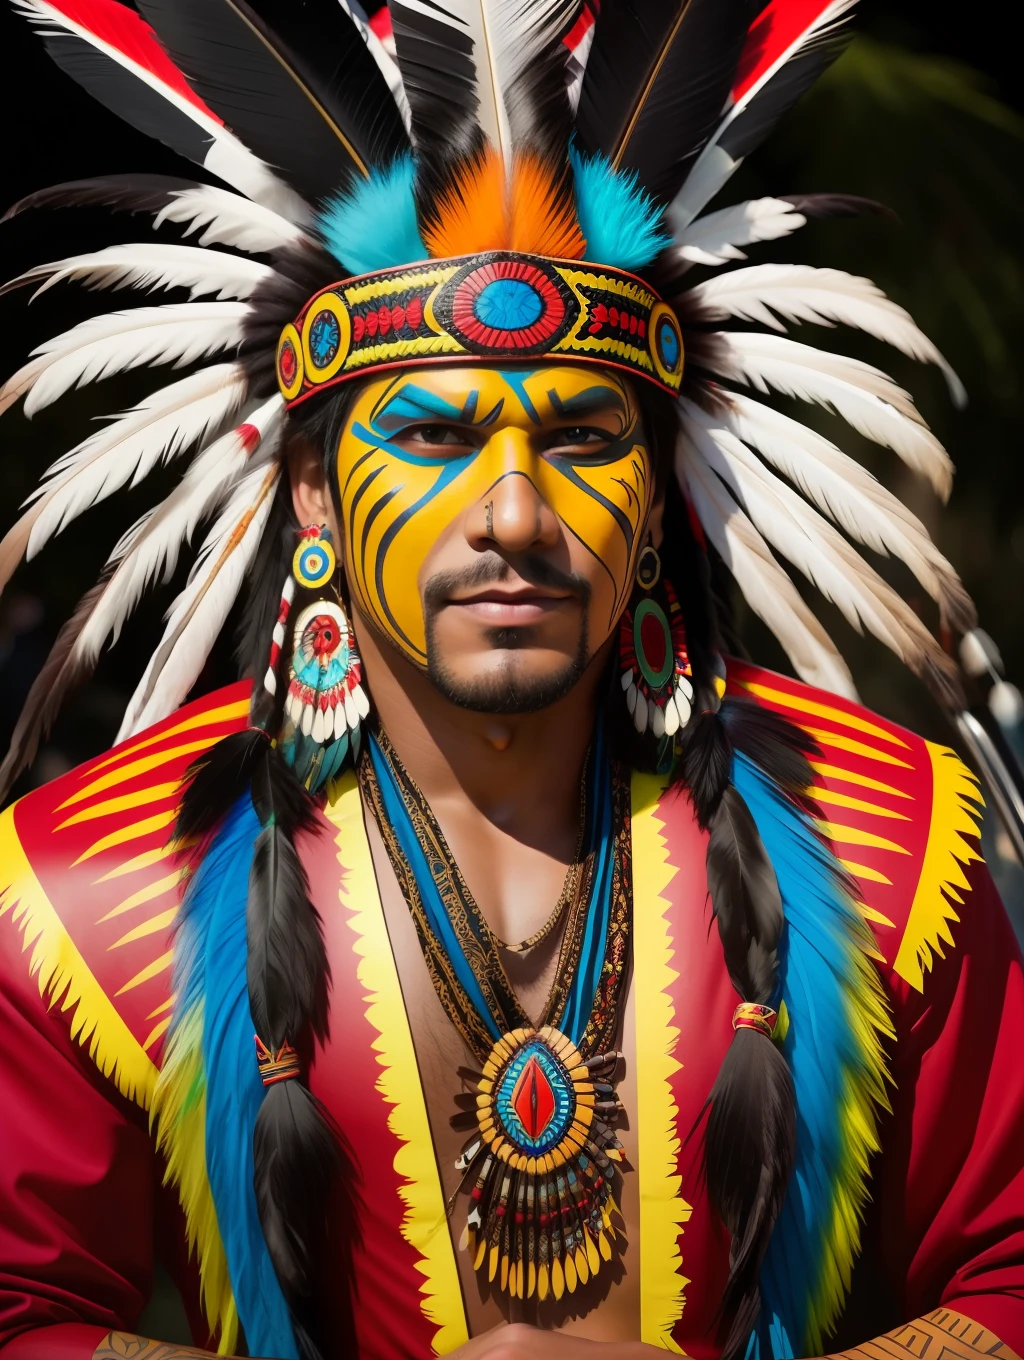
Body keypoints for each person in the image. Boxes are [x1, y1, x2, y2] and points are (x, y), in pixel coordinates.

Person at [1, 2, 1022, 1360]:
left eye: (586, 437)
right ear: (309, 487)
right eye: (430, 434)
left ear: (660, 497)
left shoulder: (890, 845)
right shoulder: (93, 897)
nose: (516, 516)